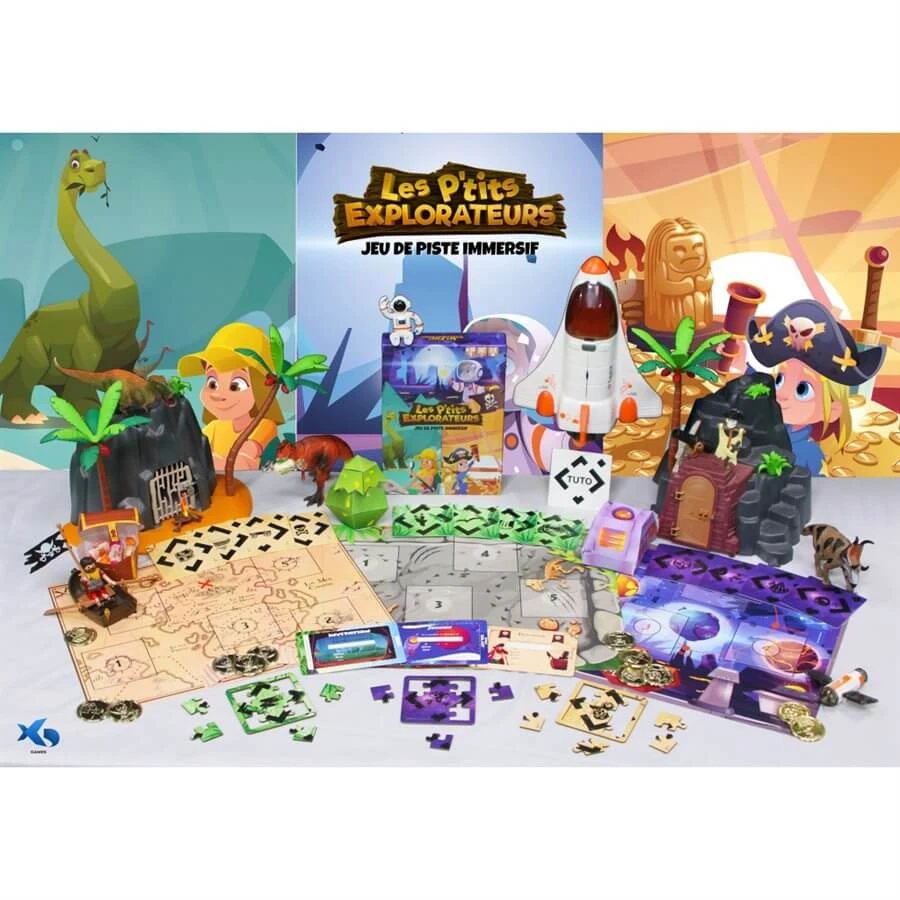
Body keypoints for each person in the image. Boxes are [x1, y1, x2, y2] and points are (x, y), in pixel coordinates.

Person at [748, 301, 885, 476]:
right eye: (779, 380)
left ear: (833, 411)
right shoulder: (765, 427)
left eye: (802, 390)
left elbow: (816, 489)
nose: (781, 394)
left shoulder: (808, 454)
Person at [178, 323, 284, 471]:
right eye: (212, 383)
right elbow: (189, 453)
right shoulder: (214, 429)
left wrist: (203, 461)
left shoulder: (264, 426)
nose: (218, 395)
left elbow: (245, 463)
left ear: (259, 386)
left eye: (236, 385)